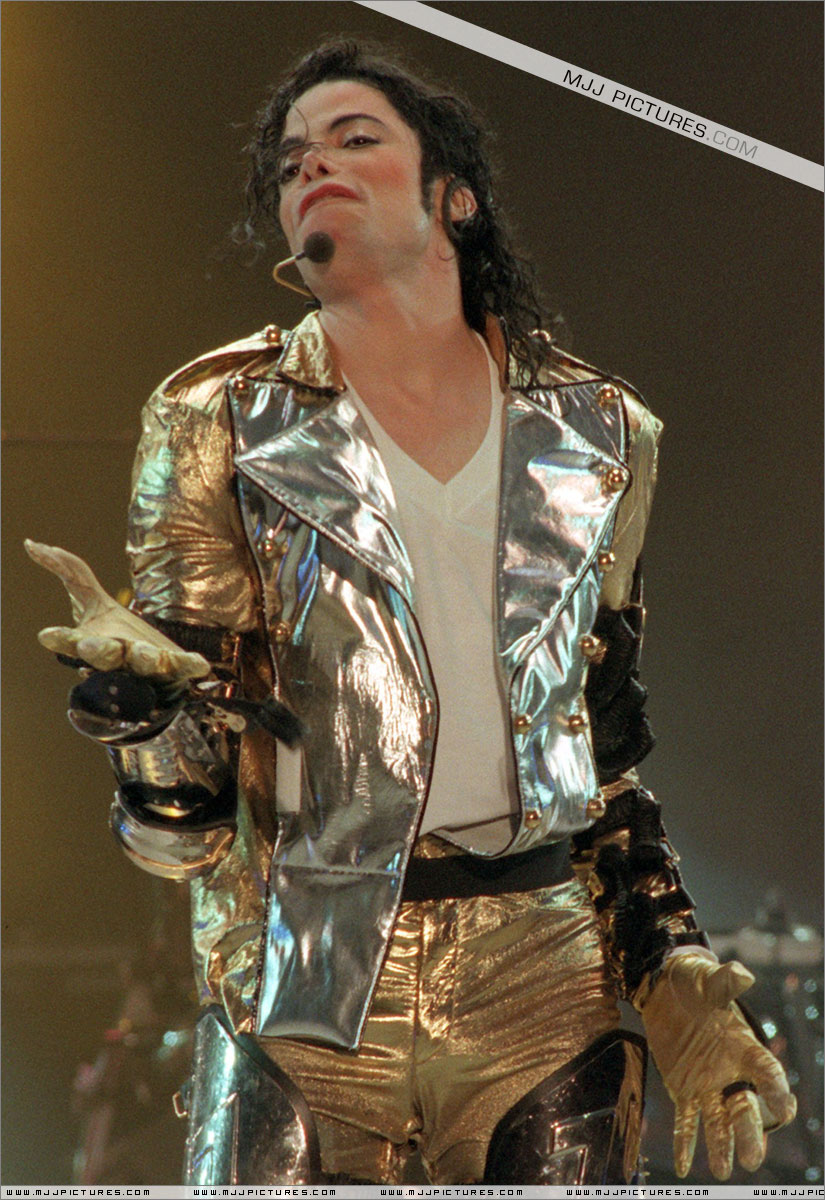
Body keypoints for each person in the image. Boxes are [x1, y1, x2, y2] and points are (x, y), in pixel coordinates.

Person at [33, 38, 795, 1186]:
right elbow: (185, 830)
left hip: (543, 980)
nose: (312, 165)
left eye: (353, 139)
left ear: (454, 196)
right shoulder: (215, 420)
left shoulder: (602, 433)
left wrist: (670, 962)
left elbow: (605, 754)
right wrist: (142, 718)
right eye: (291, 160)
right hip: (303, 982)